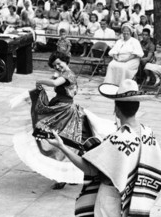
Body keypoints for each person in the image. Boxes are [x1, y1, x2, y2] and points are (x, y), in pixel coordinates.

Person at [44, 79, 161, 217]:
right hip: (135, 198)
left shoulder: (118, 140)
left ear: (117, 110)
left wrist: (61, 146)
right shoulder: (148, 133)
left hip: (111, 199)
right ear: (137, 107)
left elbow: (89, 168)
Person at [12, 51, 99, 189]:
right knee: (61, 141)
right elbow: (55, 79)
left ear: (66, 61)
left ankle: (65, 175)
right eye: (54, 65)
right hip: (59, 107)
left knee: (65, 142)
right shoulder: (63, 73)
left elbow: (54, 83)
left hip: (65, 110)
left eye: (59, 63)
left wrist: (40, 81)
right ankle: (68, 175)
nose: (57, 67)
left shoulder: (68, 74)